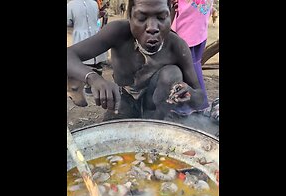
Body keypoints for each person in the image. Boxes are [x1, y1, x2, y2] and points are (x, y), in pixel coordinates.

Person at [67, 0, 206, 121]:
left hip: (157, 109)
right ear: (130, 17)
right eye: (141, 17)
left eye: (161, 17)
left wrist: (189, 94)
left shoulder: (177, 46)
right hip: (123, 101)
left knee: (172, 73)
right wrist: (94, 78)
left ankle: (155, 125)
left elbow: (200, 97)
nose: (152, 27)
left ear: (170, 15)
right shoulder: (118, 32)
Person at [170, 0, 214, 114]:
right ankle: (199, 103)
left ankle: (189, 105)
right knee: (194, 63)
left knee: (187, 64)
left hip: (190, 24)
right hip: (198, 24)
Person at [67, 0, 108, 95]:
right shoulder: (94, 3)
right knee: (97, 58)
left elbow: (68, 22)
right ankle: (97, 85)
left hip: (80, 34)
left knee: (84, 59)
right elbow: (97, 17)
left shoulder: (71, 5)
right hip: (96, 33)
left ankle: (88, 86)